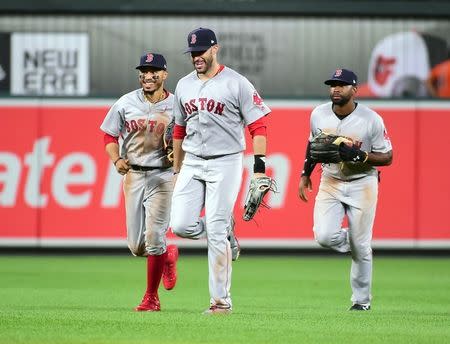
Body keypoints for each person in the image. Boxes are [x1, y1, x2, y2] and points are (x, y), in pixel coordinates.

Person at [169, 27, 271, 314]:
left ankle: (220, 303)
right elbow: (178, 129)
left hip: (226, 161)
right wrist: (177, 169)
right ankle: (225, 230)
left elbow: (258, 125)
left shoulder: (236, 83)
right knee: (180, 225)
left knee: (213, 230)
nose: (196, 57)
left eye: (201, 51)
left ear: (215, 49)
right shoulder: (184, 84)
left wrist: (259, 167)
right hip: (192, 160)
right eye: (192, 53)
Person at [298, 68, 393, 311]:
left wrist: (360, 155)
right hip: (330, 181)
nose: (336, 89)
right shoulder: (318, 114)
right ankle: (359, 243)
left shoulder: (371, 119)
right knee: (324, 236)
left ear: (354, 89)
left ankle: (361, 302)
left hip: (362, 183)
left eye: (341, 84)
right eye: (332, 84)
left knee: (360, 249)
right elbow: (313, 147)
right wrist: (305, 173)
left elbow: (388, 157)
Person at [100, 52, 178, 312]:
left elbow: (188, 135)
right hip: (133, 174)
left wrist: (178, 153)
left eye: (154, 70)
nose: (148, 75)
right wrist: (115, 160)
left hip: (162, 175)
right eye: (144, 71)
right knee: (136, 245)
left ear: (165, 74)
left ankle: (151, 298)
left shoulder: (177, 105)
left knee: (155, 237)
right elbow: (109, 135)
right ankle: (167, 256)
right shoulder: (126, 102)